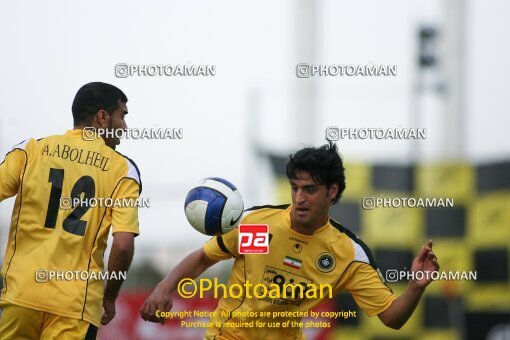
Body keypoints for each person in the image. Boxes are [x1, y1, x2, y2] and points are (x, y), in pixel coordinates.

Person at [140, 142, 439, 339]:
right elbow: (204, 257)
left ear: (332, 191)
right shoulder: (259, 225)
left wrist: (414, 287)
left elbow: (392, 318)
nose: (299, 198)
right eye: (295, 188)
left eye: (309, 189)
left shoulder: (348, 253)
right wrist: (164, 287)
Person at [0, 82, 141, 339]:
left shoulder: (31, 149)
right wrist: (109, 298)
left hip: (21, 295)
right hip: (76, 306)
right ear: (102, 117)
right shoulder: (123, 170)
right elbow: (122, 245)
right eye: (122, 116)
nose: (125, 127)